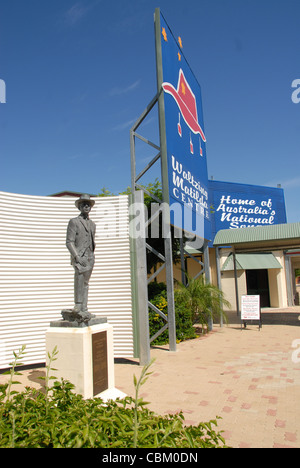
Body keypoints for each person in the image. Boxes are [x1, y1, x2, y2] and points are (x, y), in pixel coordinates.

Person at [66, 194, 96, 321]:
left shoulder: (93, 224)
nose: (86, 206)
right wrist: (77, 256)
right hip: (80, 257)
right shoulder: (74, 222)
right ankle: (78, 305)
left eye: (88, 204)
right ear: (79, 207)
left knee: (86, 283)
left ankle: (84, 307)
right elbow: (69, 241)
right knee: (78, 280)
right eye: (83, 204)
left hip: (90, 257)